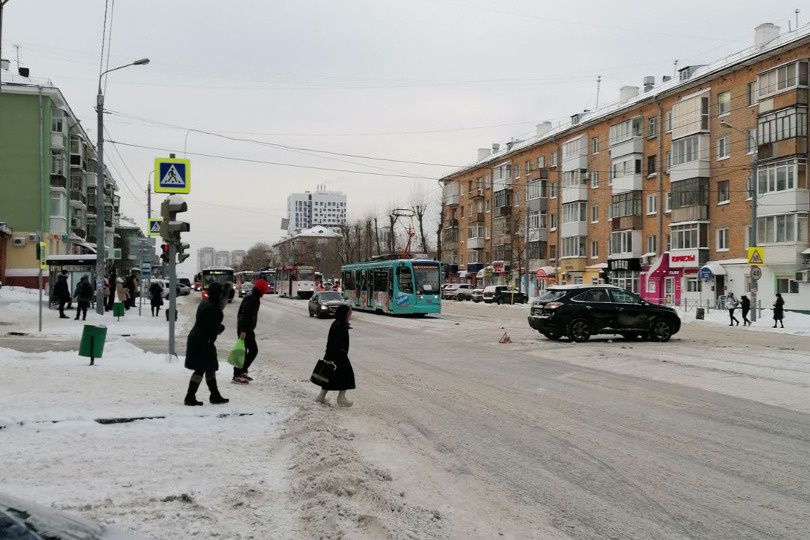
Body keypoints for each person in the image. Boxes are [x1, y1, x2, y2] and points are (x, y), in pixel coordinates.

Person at [183, 282, 229, 406]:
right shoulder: (213, 307)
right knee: (201, 369)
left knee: (209, 367)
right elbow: (211, 327)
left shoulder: (206, 303)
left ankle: (214, 395)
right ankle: (190, 397)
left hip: (200, 339)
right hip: (202, 341)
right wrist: (220, 328)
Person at [315, 304, 355, 407]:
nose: (350, 315)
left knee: (331, 376)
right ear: (344, 313)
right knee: (347, 375)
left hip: (337, 355)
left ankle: (321, 396)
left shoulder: (340, 323)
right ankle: (341, 398)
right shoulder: (339, 325)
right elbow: (332, 343)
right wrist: (328, 357)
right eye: (349, 313)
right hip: (338, 356)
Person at [232, 278, 270, 384]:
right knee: (249, 351)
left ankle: (242, 371)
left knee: (244, 351)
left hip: (246, 328)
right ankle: (237, 374)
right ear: (261, 290)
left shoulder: (253, 297)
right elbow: (245, 315)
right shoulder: (252, 298)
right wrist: (243, 330)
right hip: (245, 329)